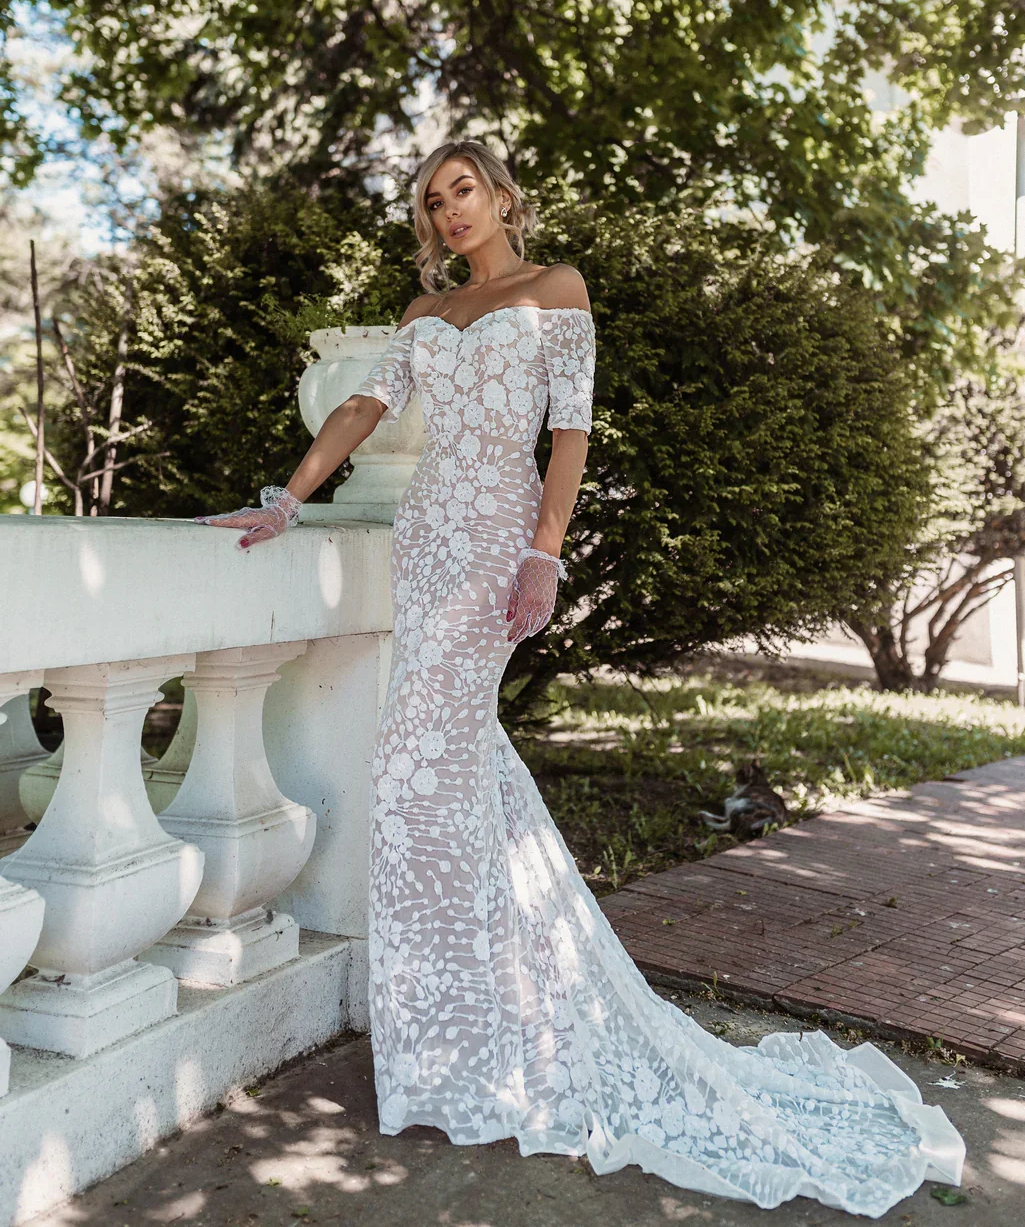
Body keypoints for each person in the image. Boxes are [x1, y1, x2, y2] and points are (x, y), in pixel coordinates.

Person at [196, 139, 965, 1215]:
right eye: (431, 200)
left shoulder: (555, 291)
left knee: (422, 776)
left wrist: (545, 550)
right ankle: (477, 1030)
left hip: (498, 539)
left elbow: (569, 429)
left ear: (503, 194)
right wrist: (284, 501)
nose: (449, 210)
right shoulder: (420, 320)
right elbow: (360, 412)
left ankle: (491, 1034)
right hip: (426, 544)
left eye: (463, 190)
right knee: (441, 775)